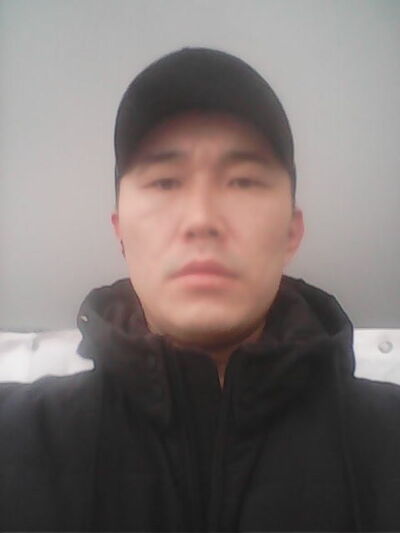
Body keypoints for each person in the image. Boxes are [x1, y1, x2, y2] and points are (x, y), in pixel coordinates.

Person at [1, 47, 400, 532]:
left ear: (292, 233)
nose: (202, 219)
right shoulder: (17, 439)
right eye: (165, 182)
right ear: (120, 231)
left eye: (244, 182)